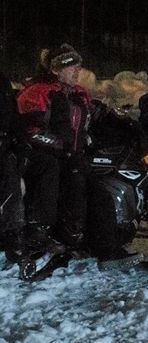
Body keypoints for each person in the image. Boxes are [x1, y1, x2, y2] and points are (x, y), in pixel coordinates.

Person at [16, 44, 91, 249]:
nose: (77, 71)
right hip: (38, 153)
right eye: (71, 67)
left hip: (71, 153)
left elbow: (85, 124)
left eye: (78, 66)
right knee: (51, 168)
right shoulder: (37, 92)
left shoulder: (79, 94)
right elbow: (30, 131)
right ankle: (40, 227)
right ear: (56, 70)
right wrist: (61, 147)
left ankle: (88, 231)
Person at [0, 72, 27, 262]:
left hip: (5, 144)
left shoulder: (2, 82)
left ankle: (12, 234)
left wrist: (21, 142)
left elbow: (12, 116)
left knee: (12, 177)